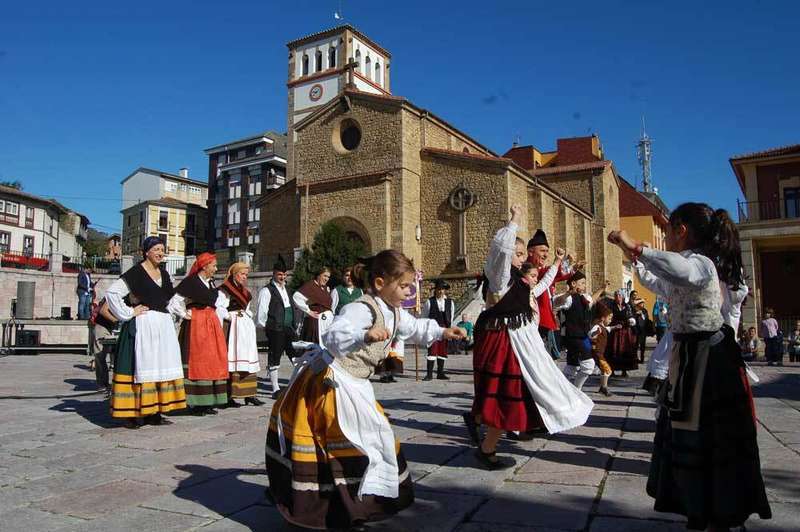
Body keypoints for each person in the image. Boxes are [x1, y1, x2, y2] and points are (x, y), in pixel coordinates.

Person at [264, 250, 466, 530]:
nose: (409, 291)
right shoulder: (362, 307)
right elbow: (335, 335)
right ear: (381, 283)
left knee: (373, 435)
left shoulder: (394, 311)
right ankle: (331, 505)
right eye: (404, 286)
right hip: (333, 383)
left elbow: (415, 328)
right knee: (348, 440)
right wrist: (363, 335)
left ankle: (363, 500)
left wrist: (442, 332)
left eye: (411, 285)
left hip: (357, 383)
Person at [608, 202, 771, 530]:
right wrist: (636, 259)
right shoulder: (686, 267)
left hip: (710, 364)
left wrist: (637, 246)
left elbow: (678, 270)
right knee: (687, 432)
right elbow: (662, 282)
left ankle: (718, 509)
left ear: (681, 231)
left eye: (668, 230)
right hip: (691, 360)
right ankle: (697, 506)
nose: (666, 237)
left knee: (710, 436)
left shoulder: (702, 265)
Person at [467, 205, 593, 470]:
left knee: (520, 390)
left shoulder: (519, 280)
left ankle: (484, 426)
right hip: (508, 343)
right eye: (520, 252)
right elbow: (500, 252)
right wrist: (514, 222)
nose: (524, 257)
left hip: (521, 341)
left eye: (524, 253)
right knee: (508, 392)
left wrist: (558, 263)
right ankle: (487, 445)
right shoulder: (500, 278)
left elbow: (543, 286)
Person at [106, 237, 186, 428]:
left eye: (162, 249)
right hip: (142, 326)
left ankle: (154, 412)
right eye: (157, 249)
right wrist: (129, 312)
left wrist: (182, 312)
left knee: (160, 366)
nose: (161, 253)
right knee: (137, 367)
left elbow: (170, 300)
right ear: (146, 252)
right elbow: (112, 293)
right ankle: (130, 413)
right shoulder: (135, 273)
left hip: (162, 326)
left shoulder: (165, 275)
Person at [171, 252, 230, 416]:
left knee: (212, 360)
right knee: (198, 361)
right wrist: (185, 314)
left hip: (210, 323)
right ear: (204, 266)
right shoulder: (190, 282)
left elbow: (217, 302)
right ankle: (196, 403)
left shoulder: (210, 283)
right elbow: (175, 301)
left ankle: (208, 402)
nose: (216, 269)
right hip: (196, 325)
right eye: (214, 266)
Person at [527, 229, 577, 360]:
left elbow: (556, 274)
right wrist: (562, 261)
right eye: (542, 251)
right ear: (531, 251)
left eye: (547, 252)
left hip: (545, 322)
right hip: (537, 323)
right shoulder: (528, 270)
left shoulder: (540, 270)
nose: (545, 255)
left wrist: (569, 265)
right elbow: (552, 273)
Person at [553, 271, 608, 390]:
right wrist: (568, 293)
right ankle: (576, 390)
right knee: (589, 365)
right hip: (572, 337)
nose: (584, 286)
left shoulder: (583, 298)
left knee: (572, 367)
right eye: (582, 283)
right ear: (573, 283)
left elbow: (591, 300)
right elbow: (557, 302)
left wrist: (601, 289)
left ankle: (562, 390)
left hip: (581, 336)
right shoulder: (569, 299)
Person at [219, 262, 263, 407]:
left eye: (246, 275)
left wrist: (247, 315)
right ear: (234, 273)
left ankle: (249, 394)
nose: (244, 277)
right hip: (233, 326)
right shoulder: (225, 289)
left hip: (245, 327)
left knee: (248, 357)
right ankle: (228, 395)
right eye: (242, 274)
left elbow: (248, 308)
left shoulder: (245, 292)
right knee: (233, 357)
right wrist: (229, 317)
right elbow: (219, 307)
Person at [257, 258, 297, 398]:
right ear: (274, 274)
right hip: (275, 328)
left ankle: (293, 385)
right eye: (280, 274)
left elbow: (291, 307)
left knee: (296, 356)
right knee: (275, 357)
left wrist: (294, 325)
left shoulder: (287, 289)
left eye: (284, 274)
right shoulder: (267, 291)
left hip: (289, 328)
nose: (283, 277)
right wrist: (267, 328)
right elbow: (261, 312)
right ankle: (275, 388)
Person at [422, 279, 456, 380]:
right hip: (433, 329)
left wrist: (449, 329)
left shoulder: (450, 302)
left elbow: (451, 316)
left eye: (442, 289)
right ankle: (429, 374)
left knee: (442, 350)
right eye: (439, 289)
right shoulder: (429, 302)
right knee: (432, 350)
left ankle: (440, 373)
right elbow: (425, 316)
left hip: (444, 328)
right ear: (435, 290)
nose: (441, 291)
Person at [293, 266, 334, 345]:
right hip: (316, 324)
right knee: (315, 348)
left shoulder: (325, 288)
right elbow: (296, 296)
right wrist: (308, 311)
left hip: (326, 323)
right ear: (318, 275)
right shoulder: (310, 286)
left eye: (328, 277)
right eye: (324, 276)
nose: (326, 279)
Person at [605, 290, 638, 377]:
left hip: (625, 331)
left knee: (625, 350)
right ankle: (612, 369)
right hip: (615, 331)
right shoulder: (611, 306)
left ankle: (624, 370)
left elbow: (630, 315)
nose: (618, 297)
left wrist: (631, 320)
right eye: (616, 296)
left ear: (623, 297)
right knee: (614, 349)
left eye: (619, 296)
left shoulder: (627, 306)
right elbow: (609, 317)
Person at [589, 302, 619, 396]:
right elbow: (590, 334)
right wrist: (595, 334)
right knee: (607, 370)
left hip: (600, 353)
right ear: (603, 318)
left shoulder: (602, 327)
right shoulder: (597, 327)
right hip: (597, 352)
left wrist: (615, 327)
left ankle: (603, 387)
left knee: (604, 370)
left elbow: (607, 329)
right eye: (609, 318)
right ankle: (604, 387)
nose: (610, 320)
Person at [88, 297, 118, 394]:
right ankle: (102, 384)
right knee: (100, 355)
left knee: (115, 354)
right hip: (102, 326)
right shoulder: (115, 294)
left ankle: (113, 383)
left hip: (111, 327)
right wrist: (118, 321)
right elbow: (103, 311)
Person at [632, 296, 651, 363]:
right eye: (641, 303)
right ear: (638, 304)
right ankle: (635, 358)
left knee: (643, 346)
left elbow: (647, 319)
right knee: (636, 346)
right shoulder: (634, 310)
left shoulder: (644, 310)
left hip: (643, 330)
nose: (643, 304)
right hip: (636, 330)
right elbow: (632, 318)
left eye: (643, 303)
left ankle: (642, 359)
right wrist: (636, 314)